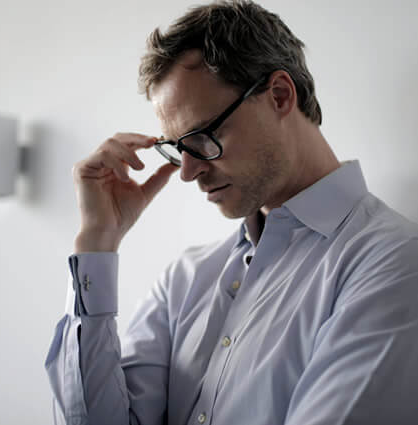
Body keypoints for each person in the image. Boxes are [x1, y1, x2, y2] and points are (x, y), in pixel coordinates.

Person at [45, 1, 418, 424]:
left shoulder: (394, 265)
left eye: (203, 136)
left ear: (279, 95)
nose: (187, 172)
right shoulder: (184, 280)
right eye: (178, 147)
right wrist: (97, 241)